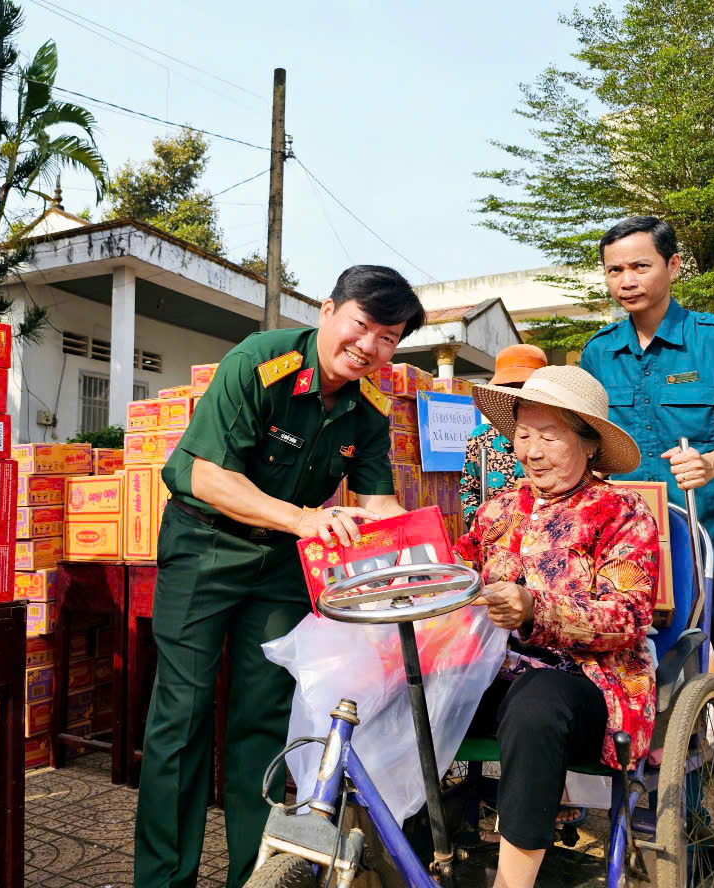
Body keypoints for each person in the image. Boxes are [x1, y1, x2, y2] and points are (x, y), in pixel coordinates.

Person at [133, 265, 425, 888]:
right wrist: (302, 518)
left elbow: (378, 504)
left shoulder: (370, 404)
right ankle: (163, 880)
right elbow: (207, 474)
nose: (370, 347)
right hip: (206, 545)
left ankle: (253, 877)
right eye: (362, 325)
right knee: (181, 716)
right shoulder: (259, 362)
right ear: (327, 311)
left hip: (281, 566)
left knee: (264, 721)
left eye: (389, 337)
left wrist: (429, 555)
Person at [579, 216, 714, 888]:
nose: (627, 281)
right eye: (616, 270)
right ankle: (695, 832)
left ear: (674, 267)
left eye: (640, 266)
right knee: (669, 698)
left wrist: (711, 462)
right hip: (640, 560)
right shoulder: (597, 353)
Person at [454, 365, 658, 888]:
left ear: (590, 446)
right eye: (523, 435)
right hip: (494, 674)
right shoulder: (496, 512)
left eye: (550, 437)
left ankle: (512, 883)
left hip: (590, 687)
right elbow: (457, 578)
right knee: (403, 690)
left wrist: (534, 609)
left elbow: (628, 617)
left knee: (537, 700)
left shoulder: (621, 512)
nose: (532, 451)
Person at [459, 344, 547, 529]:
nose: (516, 397)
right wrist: (478, 523)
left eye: (523, 389)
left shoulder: (555, 437)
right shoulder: (483, 436)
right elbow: (469, 489)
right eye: (509, 389)